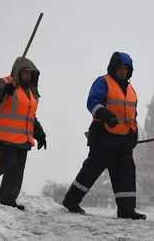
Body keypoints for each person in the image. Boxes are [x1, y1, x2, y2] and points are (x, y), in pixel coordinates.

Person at [62, 51, 146, 220]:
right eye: (120, 68)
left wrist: (134, 132)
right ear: (113, 68)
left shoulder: (131, 89)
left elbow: (132, 114)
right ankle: (71, 201)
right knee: (91, 170)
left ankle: (126, 210)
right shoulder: (103, 82)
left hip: (124, 140)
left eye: (126, 69)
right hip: (103, 136)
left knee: (126, 173)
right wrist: (106, 115)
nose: (123, 72)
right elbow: (92, 102)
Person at [0, 56, 47, 211]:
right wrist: (3, 90)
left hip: (23, 137)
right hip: (4, 135)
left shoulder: (30, 92)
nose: (27, 75)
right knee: (7, 160)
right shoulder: (4, 82)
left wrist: (40, 134)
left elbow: (29, 116)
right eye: (25, 72)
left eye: (30, 73)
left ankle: (8, 200)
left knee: (17, 169)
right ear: (18, 71)